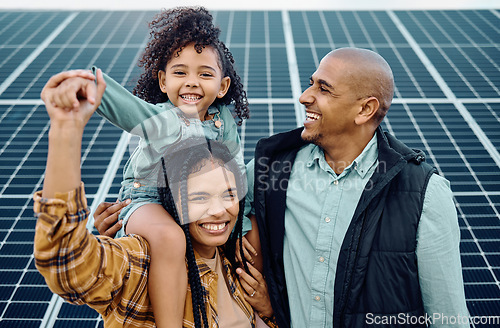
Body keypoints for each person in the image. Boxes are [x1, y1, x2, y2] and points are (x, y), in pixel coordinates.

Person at [43, 7, 250, 328]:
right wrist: (93, 87)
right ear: (163, 82)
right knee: (169, 240)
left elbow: (237, 170)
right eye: (180, 73)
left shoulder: (224, 124)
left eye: (205, 74)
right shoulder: (166, 120)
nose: (192, 82)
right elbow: (132, 113)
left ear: (222, 87)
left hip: (192, 204)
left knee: (249, 224)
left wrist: (243, 218)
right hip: (146, 200)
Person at [241, 48, 468, 327]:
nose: (304, 97)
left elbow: (449, 318)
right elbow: (201, 208)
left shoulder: (425, 194)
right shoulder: (270, 169)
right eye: (311, 83)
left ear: (365, 109)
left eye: (324, 89)